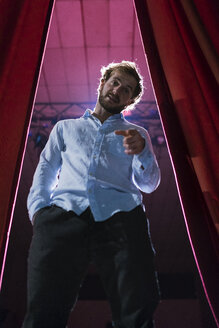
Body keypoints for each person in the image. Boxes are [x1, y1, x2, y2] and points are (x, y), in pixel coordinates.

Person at [22, 61, 161, 328]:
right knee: (43, 309)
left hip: (122, 219)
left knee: (136, 310)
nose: (118, 89)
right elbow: (46, 169)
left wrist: (143, 150)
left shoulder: (138, 134)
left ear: (129, 101)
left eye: (127, 89)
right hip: (62, 218)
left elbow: (150, 184)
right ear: (103, 83)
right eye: (116, 82)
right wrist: (39, 211)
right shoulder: (65, 128)